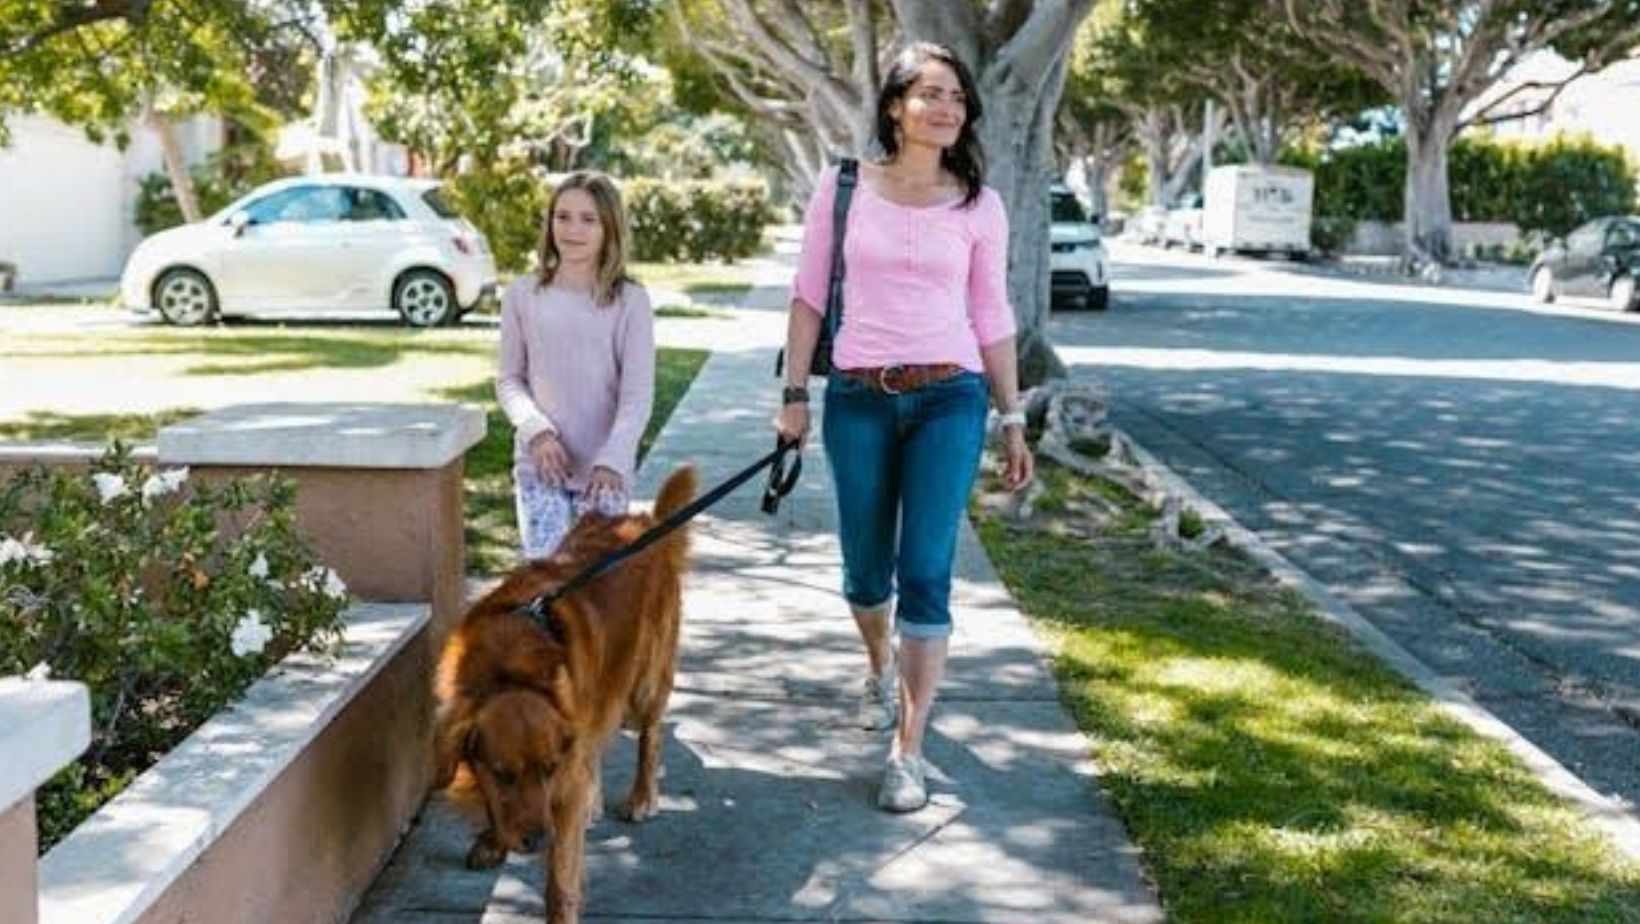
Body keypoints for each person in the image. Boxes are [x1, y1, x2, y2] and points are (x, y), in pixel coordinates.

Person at [773, 42, 1034, 813]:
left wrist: (1012, 416)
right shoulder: (843, 186)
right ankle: (877, 667)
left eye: (956, 96)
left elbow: (991, 311)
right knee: (864, 570)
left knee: (926, 568)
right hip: (857, 395)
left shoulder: (979, 203)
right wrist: (793, 394)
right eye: (930, 93)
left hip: (951, 398)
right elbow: (808, 294)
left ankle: (908, 753)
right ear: (895, 106)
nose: (947, 107)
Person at [498, 171, 655, 561]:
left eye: (588, 219)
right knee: (547, 589)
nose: (572, 229)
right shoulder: (523, 295)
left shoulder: (630, 301)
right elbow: (509, 380)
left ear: (609, 228)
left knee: (597, 596)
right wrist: (536, 433)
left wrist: (613, 459)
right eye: (562, 216)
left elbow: (636, 396)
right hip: (541, 469)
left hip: (605, 475)